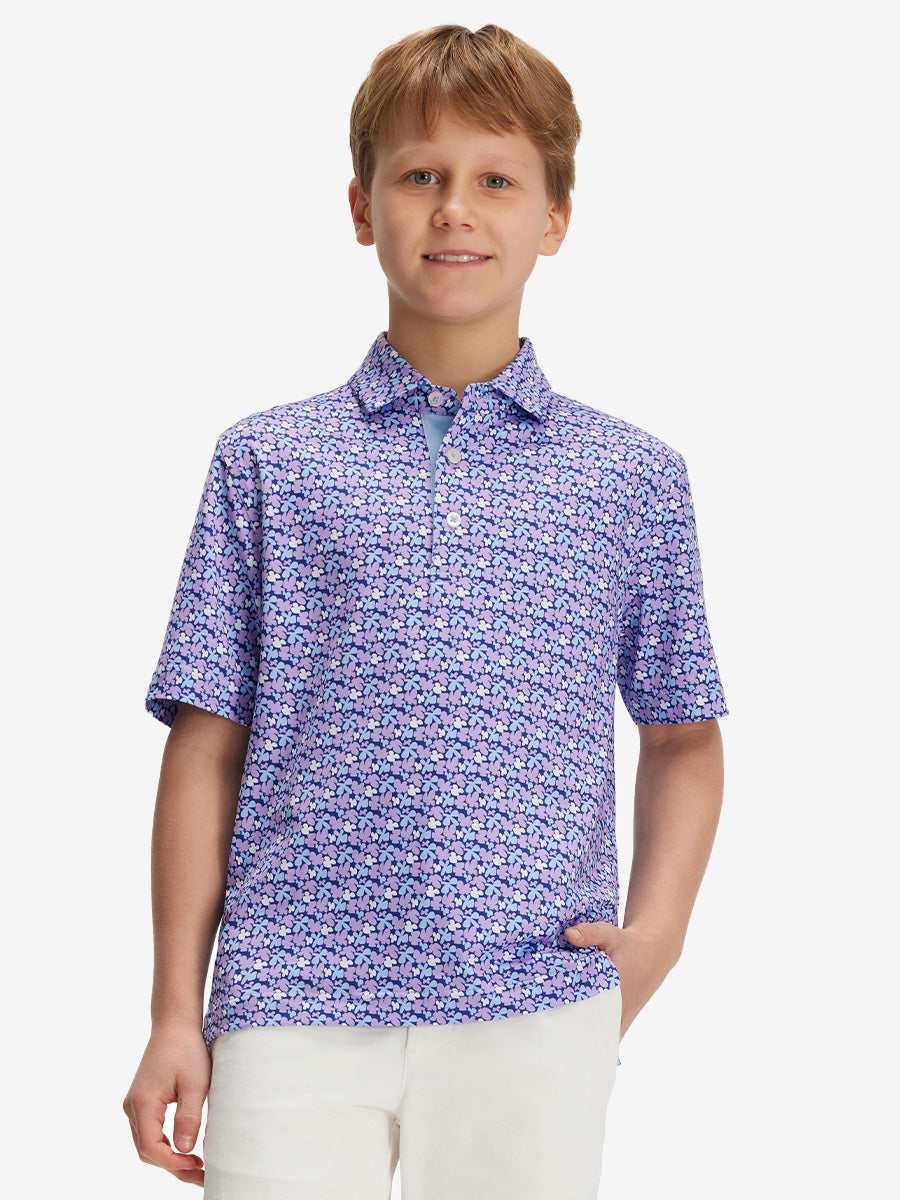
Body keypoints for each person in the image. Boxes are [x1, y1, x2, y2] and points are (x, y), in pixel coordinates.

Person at [123, 22, 728, 1200]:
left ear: (555, 217)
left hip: (532, 1001)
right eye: (420, 176)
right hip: (291, 1000)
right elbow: (205, 747)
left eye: (497, 180)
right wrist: (171, 1014)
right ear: (363, 208)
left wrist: (651, 942)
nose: (455, 209)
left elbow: (683, 733)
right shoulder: (268, 462)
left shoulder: (631, 477)